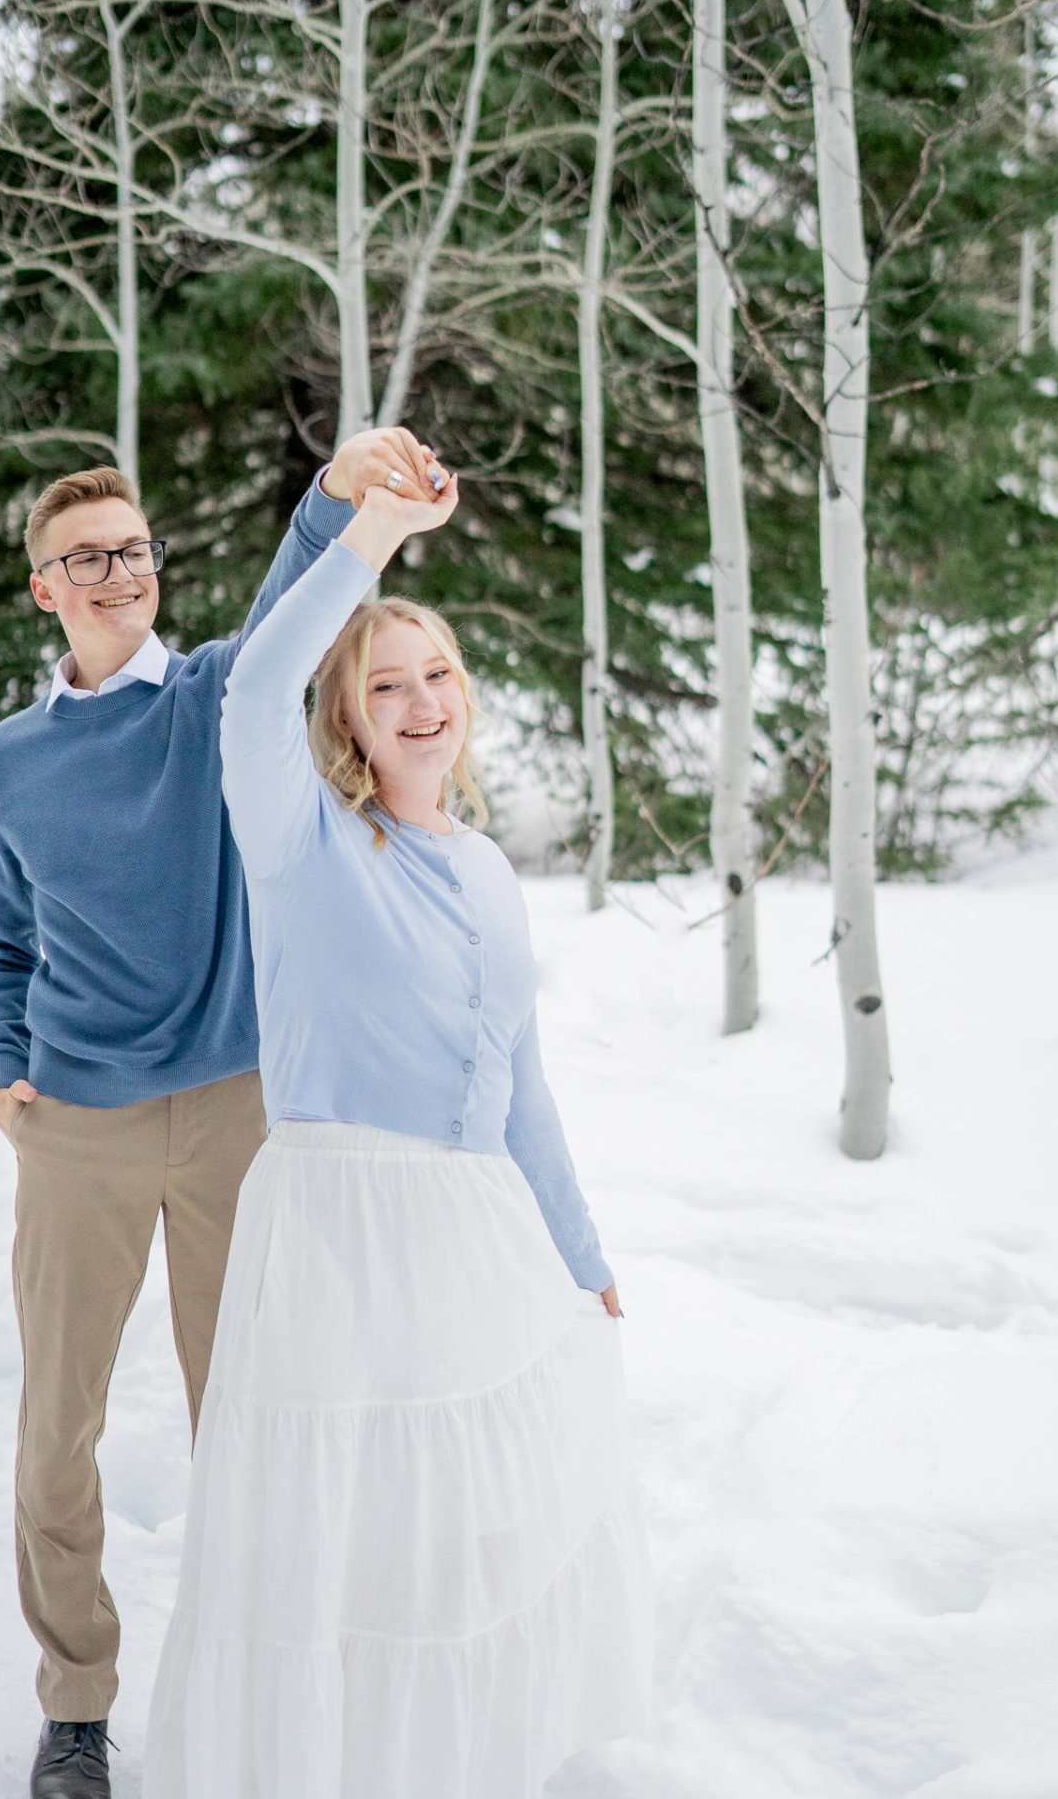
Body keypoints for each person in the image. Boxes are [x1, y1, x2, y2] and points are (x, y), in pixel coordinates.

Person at [144, 467, 652, 1797]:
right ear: (347, 720)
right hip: (339, 1227)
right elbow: (257, 689)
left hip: (475, 1229)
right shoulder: (305, 840)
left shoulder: (485, 868)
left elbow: (520, 1081)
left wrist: (576, 1246)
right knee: (346, 1531)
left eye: (438, 677)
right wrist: (370, 536)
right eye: (385, 684)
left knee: (467, 1529)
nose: (422, 704)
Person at [0, 431, 442, 1799]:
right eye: (88, 557)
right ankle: (74, 1708)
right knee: (58, 1427)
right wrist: (0, 1071)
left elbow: (305, 593)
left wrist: (339, 492)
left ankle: (274, 1675)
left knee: (251, 1416)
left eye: (135, 549)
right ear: (46, 590)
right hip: (76, 1130)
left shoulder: (220, 696)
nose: (121, 572)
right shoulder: (8, 765)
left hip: (234, 1116)